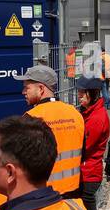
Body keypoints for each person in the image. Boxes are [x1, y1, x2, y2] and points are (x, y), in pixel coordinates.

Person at [16, 65, 85, 197]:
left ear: (41, 88)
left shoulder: (31, 118)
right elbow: (83, 154)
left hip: (45, 196)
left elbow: (24, 163)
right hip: (74, 193)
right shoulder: (75, 113)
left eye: (27, 87)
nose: (23, 92)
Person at [75, 75, 110, 210]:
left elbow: (83, 146)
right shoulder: (89, 112)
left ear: (93, 94)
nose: (79, 96)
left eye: (82, 93)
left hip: (90, 176)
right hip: (85, 173)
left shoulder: (97, 118)